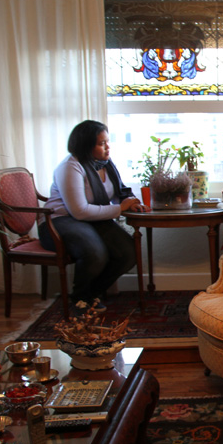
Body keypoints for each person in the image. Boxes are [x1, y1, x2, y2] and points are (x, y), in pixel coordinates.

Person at [40, 120, 148, 308]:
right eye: (101, 143)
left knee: (128, 253)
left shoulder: (106, 164)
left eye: (107, 141)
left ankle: (90, 295)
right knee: (95, 253)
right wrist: (120, 208)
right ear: (86, 145)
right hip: (60, 221)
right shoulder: (70, 167)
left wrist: (132, 203)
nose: (108, 147)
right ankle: (80, 299)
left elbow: (119, 192)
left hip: (93, 219)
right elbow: (79, 211)